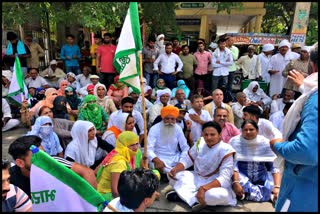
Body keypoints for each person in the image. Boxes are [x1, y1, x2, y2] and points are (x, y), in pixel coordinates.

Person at [269, 47, 318, 212]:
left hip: (305, 188)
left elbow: (305, 151)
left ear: (312, 66)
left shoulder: (315, 100)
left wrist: (277, 146)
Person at [167, 121, 237, 211]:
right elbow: (189, 158)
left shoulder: (226, 150)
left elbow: (224, 178)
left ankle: (183, 196)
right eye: (206, 134)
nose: (208, 137)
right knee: (172, 175)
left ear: (219, 134)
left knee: (215, 195)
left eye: (212, 134)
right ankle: (195, 200)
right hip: (197, 177)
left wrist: (204, 188)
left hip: (215, 183)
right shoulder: (201, 142)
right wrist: (176, 168)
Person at [8, 135, 98, 196]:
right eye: (37, 157)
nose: (44, 159)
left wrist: (91, 203)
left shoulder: (54, 162)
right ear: (20, 163)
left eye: (44, 154)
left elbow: (88, 172)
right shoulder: (9, 179)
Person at [229, 120, 280, 202]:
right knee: (235, 181)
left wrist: (277, 186)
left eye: (251, 129)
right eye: (245, 130)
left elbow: (273, 166)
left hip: (261, 176)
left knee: (275, 182)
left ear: (257, 131)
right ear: (241, 131)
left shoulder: (265, 142)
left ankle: (248, 194)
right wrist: (236, 182)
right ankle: (267, 195)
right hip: (242, 176)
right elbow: (233, 165)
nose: (248, 132)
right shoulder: (235, 141)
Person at [97, 131, 142, 201]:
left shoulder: (120, 152)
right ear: (123, 145)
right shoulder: (119, 162)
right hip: (107, 195)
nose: (136, 147)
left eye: (137, 144)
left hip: (122, 187)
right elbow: (114, 192)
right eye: (132, 145)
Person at [147, 106, 189, 176]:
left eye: (172, 119)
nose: (170, 121)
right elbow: (148, 149)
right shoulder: (154, 129)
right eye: (167, 119)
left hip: (175, 158)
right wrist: (156, 160)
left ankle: (171, 173)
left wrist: (181, 162)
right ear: (163, 118)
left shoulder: (178, 128)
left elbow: (185, 147)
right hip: (159, 158)